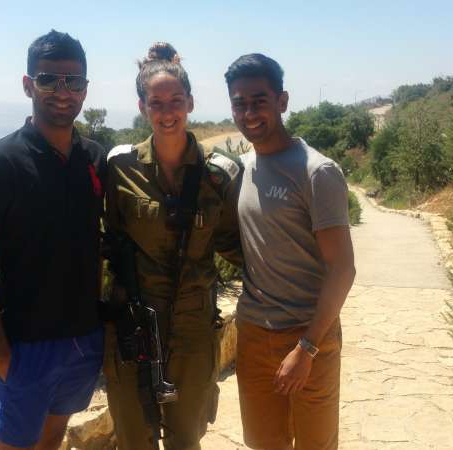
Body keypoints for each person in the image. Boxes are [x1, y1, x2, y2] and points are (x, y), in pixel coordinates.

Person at [0, 30, 106, 450]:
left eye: (73, 81)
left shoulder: (93, 158)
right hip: (23, 343)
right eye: (48, 80)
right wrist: (1, 353)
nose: (63, 91)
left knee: (53, 438)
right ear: (28, 85)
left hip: (81, 339)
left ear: (85, 89)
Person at [102, 42, 243, 450]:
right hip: (132, 326)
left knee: (186, 438)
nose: (167, 112)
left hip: (193, 330)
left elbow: (237, 245)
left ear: (191, 102)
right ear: (143, 106)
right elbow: (106, 241)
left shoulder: (219, 174)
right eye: (156, 102)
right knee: (134, 438)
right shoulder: (120, 167)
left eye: (176, 100)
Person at [224, 53, 356, 450]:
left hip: (307, 337)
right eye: (239, 103)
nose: (249, 112)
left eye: (259, 100)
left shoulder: (317, 172)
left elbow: (342, 269)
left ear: (282, 101)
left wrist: (308, 347)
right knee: (265, 444)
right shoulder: (242, 168)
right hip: (252, 334)